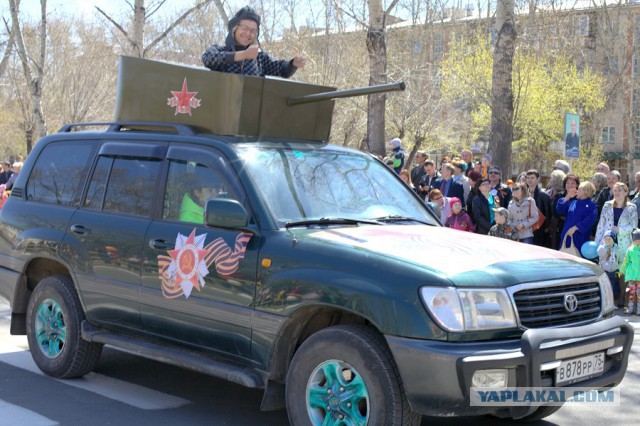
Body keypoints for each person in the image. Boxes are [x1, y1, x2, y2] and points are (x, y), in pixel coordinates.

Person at [202, 6, 306, 77]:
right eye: (244, 28)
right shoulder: (218, 50)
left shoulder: (259, 59)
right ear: (235, 28)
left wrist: (293, 64)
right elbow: (207, 59)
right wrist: (243, 55)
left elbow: (282, 69)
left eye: (253, 31)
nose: (248, 33)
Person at [595, 182, 637, 307]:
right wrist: (598, 242)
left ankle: (622, 298)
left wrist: (620, 230)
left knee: (622, 270)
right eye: (615, 190)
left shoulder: (631, 207)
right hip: (608, 241)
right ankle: (609, 298)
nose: (617, 193)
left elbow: (634, 226)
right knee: (607, 268)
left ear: (625, 192)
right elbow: (601, 224)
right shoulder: (607, 205)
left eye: (620, 190)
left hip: (623, 241)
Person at [556, 180, 598, 254]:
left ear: (586, 192)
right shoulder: (573, 203)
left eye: (579, 189)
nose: (576, 191)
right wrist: (568, 196)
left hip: (580, 237)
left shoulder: (592, 206)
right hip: (566, 235)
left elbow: (589, 221)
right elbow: (559, 209)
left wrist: (576, 227)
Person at [525, 169, 552, 248]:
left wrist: (545, 228)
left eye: (532, 178)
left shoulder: (544, 195)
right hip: (525, 228)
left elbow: (548, 213)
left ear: (537, 179)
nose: (530, 180)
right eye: (528, 178)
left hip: (539, 230)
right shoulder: (522, 193)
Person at [546, 169, 568, 249]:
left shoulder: (561, 194)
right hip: (548, 220)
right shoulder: (548, 192)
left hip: (557, 222)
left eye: (553, 178)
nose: (550, 180)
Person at [620, 229, 640, 315]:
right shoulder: (630, 250)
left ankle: (639, 310)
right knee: (631, 293)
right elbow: (626, 261)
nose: (637, 242)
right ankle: (631, 308)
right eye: (636, 240)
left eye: (639, 241)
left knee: (639, 294)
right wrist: (622, 270)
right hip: (631, 276)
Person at [597, 230, 619, 304]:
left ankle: (613, 300)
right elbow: (600, 254)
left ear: (613, 240)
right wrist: (605, 247)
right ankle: (605, 301)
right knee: (605, 286)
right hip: (605, 270)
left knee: (614, 285)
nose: (607, 240)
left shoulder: (616, 247)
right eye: (606, 239)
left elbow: (618, 255)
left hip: (614, 269)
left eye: (609, 239)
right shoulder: (602, 247)